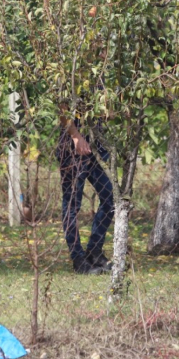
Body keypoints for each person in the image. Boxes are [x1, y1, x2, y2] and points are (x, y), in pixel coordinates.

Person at [57, 113, 114, 275]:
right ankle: (78, 258)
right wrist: (75, 136)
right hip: (72, 147)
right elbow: (62, 108)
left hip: (97, 146)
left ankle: (94, 251)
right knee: (72, 205)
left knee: (111, 198)